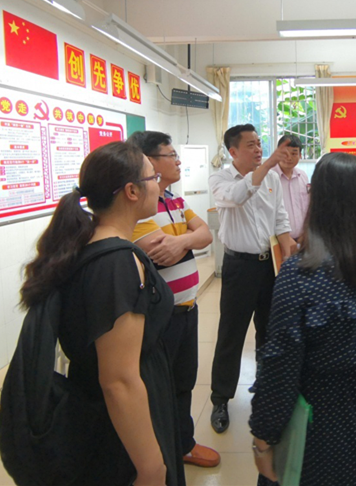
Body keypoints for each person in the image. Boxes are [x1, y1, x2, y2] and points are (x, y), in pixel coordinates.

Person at [19, 142, 185, 485]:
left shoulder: (90, 243)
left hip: (108, 407)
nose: (159, 186)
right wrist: (151, 468)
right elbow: (119, 381)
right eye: (152, 177)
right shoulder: (116, 263)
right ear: (131, 191)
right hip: (118, 424)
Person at [249, 152, 356, 486]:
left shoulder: (299, 272)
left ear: (317, 197)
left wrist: (263, 439)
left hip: (318, 422)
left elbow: (279, 367)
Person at [127, 131, 220, 468]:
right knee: (158, 386)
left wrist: (181, 241)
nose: (178, 161)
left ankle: (183, 444)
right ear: (149, 162)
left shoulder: (175, 199)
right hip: (159, 315)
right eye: (171, 155)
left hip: (187, 308)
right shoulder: (138, 207)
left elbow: (206, 234)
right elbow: (159, 252)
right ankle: (160, 452)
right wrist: (189, 240)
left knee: (184, 381)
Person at [208, 124, 296, 434]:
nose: (258, 149)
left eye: (259, 143)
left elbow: (280, 217)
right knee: (231, 335)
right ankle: (220, 399)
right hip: (238, 268)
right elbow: (237, 197)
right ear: (233, 151)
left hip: (269, 266)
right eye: (251, 145)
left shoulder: (271, 178)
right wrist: (269, 164)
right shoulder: (220, 179)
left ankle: (266, 388)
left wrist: (288, 254)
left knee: (269, 332)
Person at [272, 135, 309, 244]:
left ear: (300, 155)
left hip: (302, 239)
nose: (289, 158)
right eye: (285, 153)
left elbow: (306, 207)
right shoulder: (268, 177)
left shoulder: (303, 176)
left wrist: (305, 234)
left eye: (294, 154)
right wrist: (285, 238)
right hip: (277, 241)